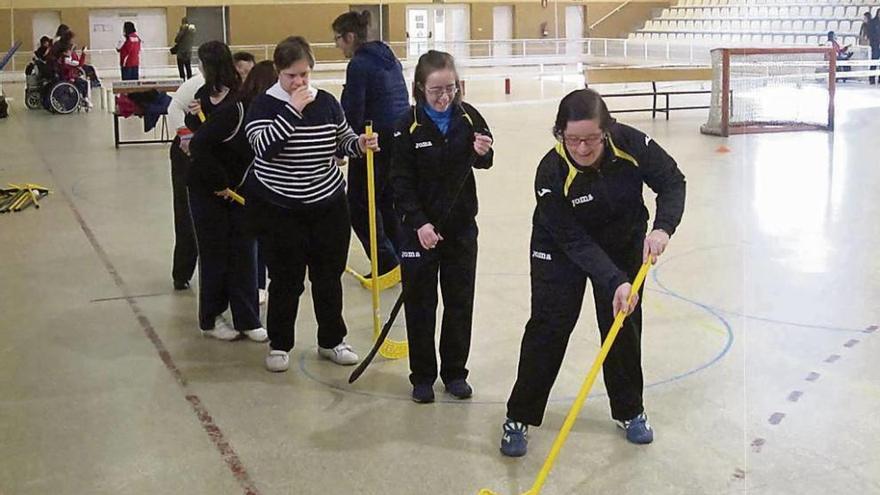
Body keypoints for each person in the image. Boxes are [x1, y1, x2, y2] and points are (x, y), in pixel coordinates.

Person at [498, 89, 686, 457]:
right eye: (572, 139)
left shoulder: (631, 144)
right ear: (559, 134)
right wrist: (614, 279)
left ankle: (630, 411)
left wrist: (663, 228)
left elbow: (672, 181)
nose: (582, 148)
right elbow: (572, 239)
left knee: (623, 327)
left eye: (591, 139)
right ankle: (519, 416)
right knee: (548, 328)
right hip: (560, 249)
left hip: (623, 242)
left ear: (607, 131)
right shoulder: (550, 171)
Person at [244, 36, 379, 372]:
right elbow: (264, 147)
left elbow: (342, 139)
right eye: (292, 75)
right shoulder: (263, 106)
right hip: (280, 208)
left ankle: (332, 340)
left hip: (328, 204)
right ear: (278, 72)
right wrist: (293, 110)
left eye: (304, 74)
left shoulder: (328, 103)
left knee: (328, 277)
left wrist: (359, 144)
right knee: (286, 280)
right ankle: (280, 343)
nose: (300, 82)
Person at [390, 50, 494, 403]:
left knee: (459, 302)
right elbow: (399, 184)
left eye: (450, 88)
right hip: (418, 232)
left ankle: (454, 373)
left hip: (461, 230)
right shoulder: (407, 125)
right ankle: (422, 376)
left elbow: (486, 160)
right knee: (420, 305)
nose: (444, 97)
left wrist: (483, 151)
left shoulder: (469, 117)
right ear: (420, 88)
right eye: (436, 90)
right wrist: (419, 224)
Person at [188, 59, 277, 343]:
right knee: (215, 255)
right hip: (208, 190)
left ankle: (247, 319)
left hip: (239, 192)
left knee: (245, 254)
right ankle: (210, 319)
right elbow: (200, 144)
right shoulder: (236, 112)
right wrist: (220, 184)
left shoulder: (270, 117)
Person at [332, 10, 410, 286]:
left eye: (338, 39)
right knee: (386, 202)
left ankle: (387, 261)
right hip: (398, 139)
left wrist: (341, 148)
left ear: (350, 37)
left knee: (360, 204)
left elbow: (353, 109)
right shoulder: (388, 57)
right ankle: (401, 257)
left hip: (372, 142)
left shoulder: (359, 65)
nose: (338, 45)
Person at [167, 71, 206, 291]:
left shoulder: (231, 89)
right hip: (186, 153)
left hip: (211, 153)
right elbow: (173, 108)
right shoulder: (197, 84)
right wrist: (185, 134)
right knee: (186, 212)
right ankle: (182, 272)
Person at [869, 10, 880, 85]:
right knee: (874, 61)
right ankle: (871, 78)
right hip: (875, 44)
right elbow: (871, 34)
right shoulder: (873, 22)